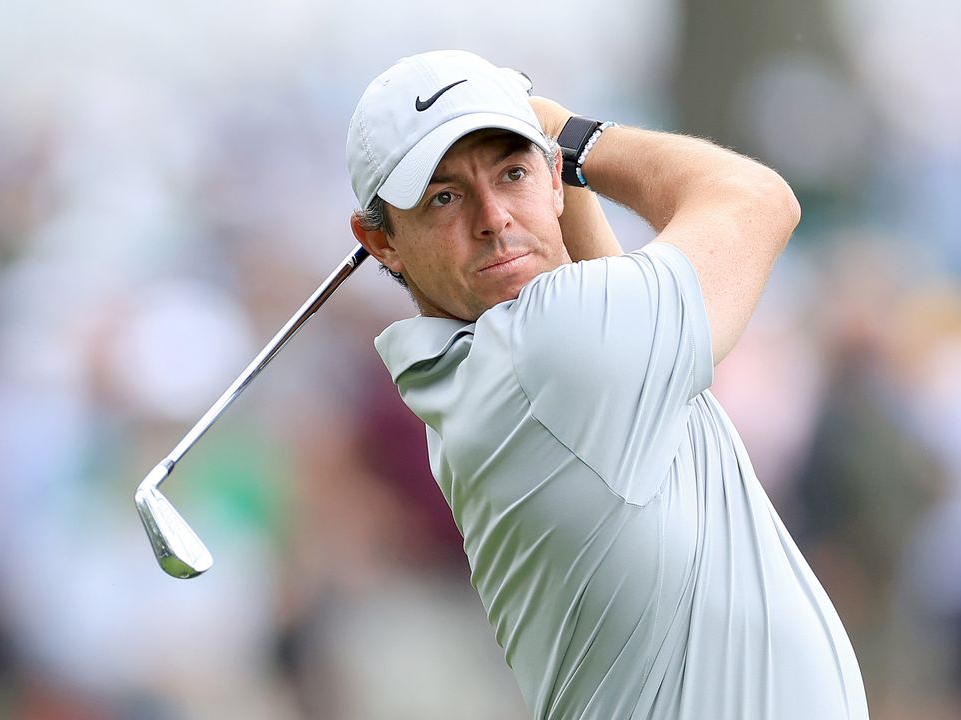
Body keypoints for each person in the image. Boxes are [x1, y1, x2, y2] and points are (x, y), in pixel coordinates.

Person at [344, 49, 868, 720]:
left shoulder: (484, 363)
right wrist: (572, 132)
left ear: (553, 184)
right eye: (444, 196)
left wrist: (560, 163)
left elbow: (594, 282)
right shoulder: (550, 350)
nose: (493, 216)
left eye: (512, 173)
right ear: (379, 241)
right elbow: (760, 200)